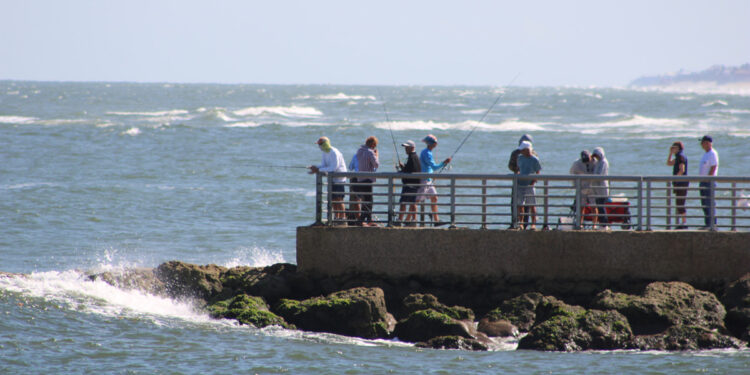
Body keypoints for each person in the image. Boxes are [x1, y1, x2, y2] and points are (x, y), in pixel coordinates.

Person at [308, 136, 347, 224]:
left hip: (339, 179)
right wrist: (315, 167)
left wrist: (318, 170)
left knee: (339, 199)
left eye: (320, 144)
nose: (319, 146)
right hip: (332, 179)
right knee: (333, 199)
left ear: (325, 144)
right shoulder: (324, 153)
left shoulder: (334, 152)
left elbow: (333, 168)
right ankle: (336, 218)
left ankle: (343, 218)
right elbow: (323, 166)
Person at [417, 134, 451, 227]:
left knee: (434, 198)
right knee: (416, 200)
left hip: (429, 179)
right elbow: (434, 167)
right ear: (431, 143)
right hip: (424, 179)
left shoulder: (428, 152)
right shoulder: (426, 153)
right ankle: (408, 220)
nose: (436, 144)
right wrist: (444, 162)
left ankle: (436, 220)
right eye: (435, 142)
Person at [508, 134, 534, 228]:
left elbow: (536, 168)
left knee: (525, 204)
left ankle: (522, 224)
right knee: (517, 203)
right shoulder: (516, 153)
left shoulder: (533, 154)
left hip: (525, 183)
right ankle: (517, 223)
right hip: (521, 182)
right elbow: (511, 166)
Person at [353, 136, 379, 226]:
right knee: (369, 200)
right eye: (375, 145)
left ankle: (367, 219)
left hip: (360, 178)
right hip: (368, 178)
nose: (375, 147)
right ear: (372, 144)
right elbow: (376, 165)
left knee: (365, 200)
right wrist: (376, 155)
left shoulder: (359, 151)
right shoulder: (370, 152)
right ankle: (364, 220)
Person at [516, 141, 542, 229]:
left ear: (527, 150)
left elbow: (538, 172)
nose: (521, 152)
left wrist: (533, 181)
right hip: (520, 183)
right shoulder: (520, 158)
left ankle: (533, 223)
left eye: (523, 150)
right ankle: (521, 222)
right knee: (520, 204)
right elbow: (519, 169)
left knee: (532, 204)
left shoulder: (535, 159)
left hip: (530, 184)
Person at [395, 140, 421, 226]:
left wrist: (402, 169)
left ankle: (399, 220)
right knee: (413, 203)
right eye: (405, 147)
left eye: (407, 147)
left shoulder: (411, 157)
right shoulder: (416, 157)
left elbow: (408, 171)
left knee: (403, 202)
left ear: (412, 148)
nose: (406, 149)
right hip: (416, 184)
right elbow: (413, 169)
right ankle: (414, 220)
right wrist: (404, 167)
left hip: (409, 184)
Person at [570, 150, 595, 228]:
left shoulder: (595, 162)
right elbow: (572, 173)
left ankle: (594, 224)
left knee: (594, 206)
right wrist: (575, 186)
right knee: (581, 206)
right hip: (582, 187)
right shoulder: (576, 164)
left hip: (592, 187)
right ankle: (580, 223)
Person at [666, 141, 689, 229]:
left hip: (682, 183)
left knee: (680, 203)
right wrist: (670, 153)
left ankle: (684, 223)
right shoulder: (678, 156)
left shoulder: (680, 156)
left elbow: (682, 169)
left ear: (678, 148)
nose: (672, 148)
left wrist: (676, 178)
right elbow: (668, 163)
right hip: (680, 183)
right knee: (679, 203)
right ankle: (683, 223)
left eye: (674, 147)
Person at [698, 135, 719, 229]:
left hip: (708, 182)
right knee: (704, 204)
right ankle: (707, 224)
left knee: (709, 203)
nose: (701, 144)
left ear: (707, 143)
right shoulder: (706, 154)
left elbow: (714, 167)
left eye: (702, 142)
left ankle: (712, 224)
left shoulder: (712, 153)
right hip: (703, 182)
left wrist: (708, 178)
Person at [591, 147, 610, 229]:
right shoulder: (599, 162)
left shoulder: (603, 162)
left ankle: (604, 224)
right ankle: (602, 223)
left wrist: (592, 178)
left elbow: (599, 175)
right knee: (599, 206)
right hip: (597, 188)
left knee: (601, 206)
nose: (596, 157)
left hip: (601, 188)